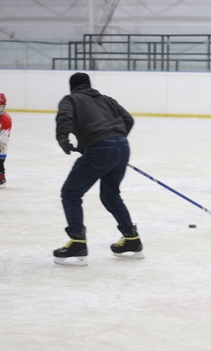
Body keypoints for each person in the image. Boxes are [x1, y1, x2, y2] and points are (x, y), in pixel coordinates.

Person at [53, 72, 143, 266]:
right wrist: (115, 138)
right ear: (89, 85)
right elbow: (128, 119)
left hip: (100, 148)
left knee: (70, 193)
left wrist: (64, 140)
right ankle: (131, 239)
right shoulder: (106, 99)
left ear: (72, 87)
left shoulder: (71, 99)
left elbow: (64, 117)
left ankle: (77, 241)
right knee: (111, 196)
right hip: (122, 146)